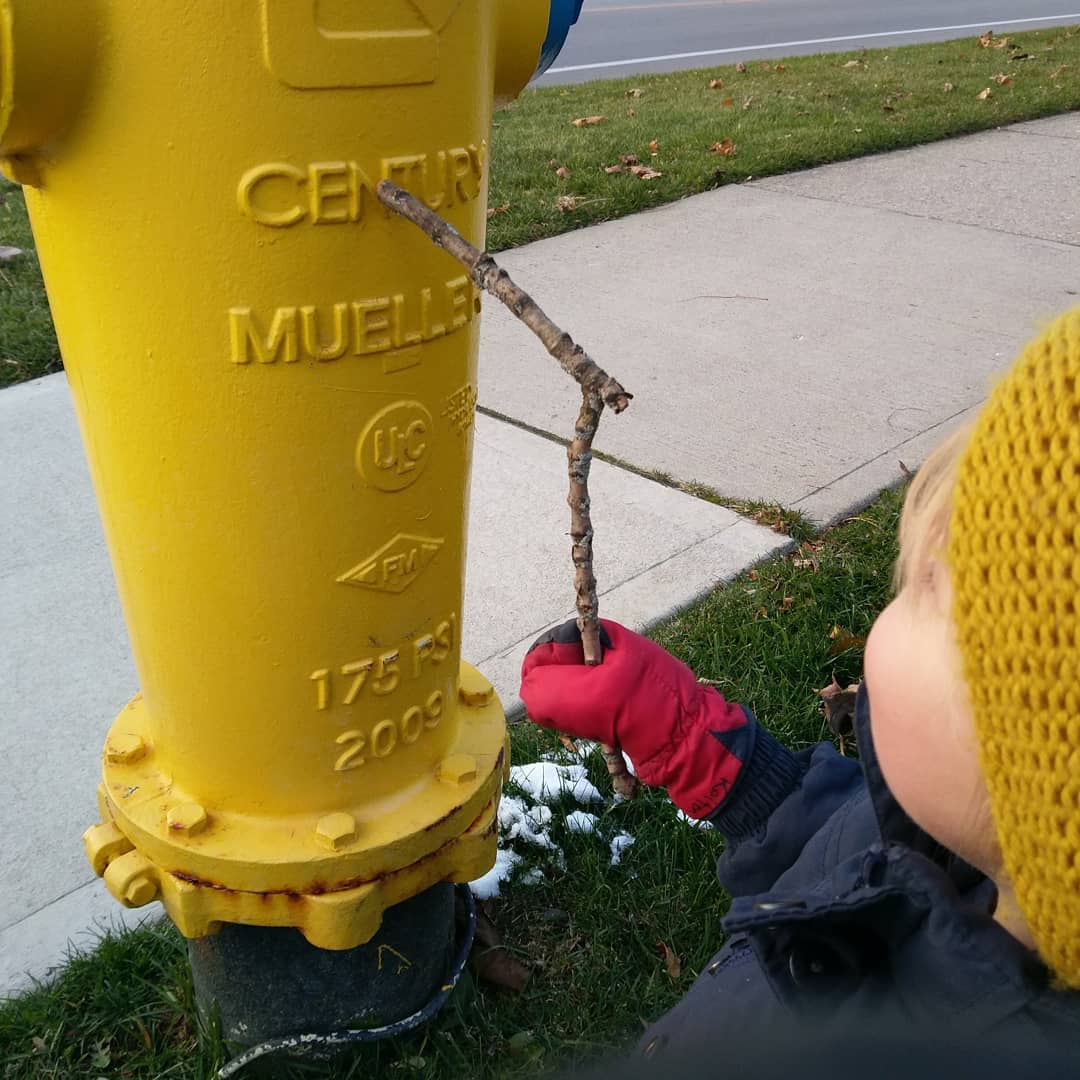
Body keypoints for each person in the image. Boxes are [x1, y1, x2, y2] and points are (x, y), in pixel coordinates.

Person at [520, 307, 1080, 1064]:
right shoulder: (961, 851)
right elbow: (846, 846)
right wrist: (695, 743)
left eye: (924, 589)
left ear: (1037, 760)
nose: (889, 604)